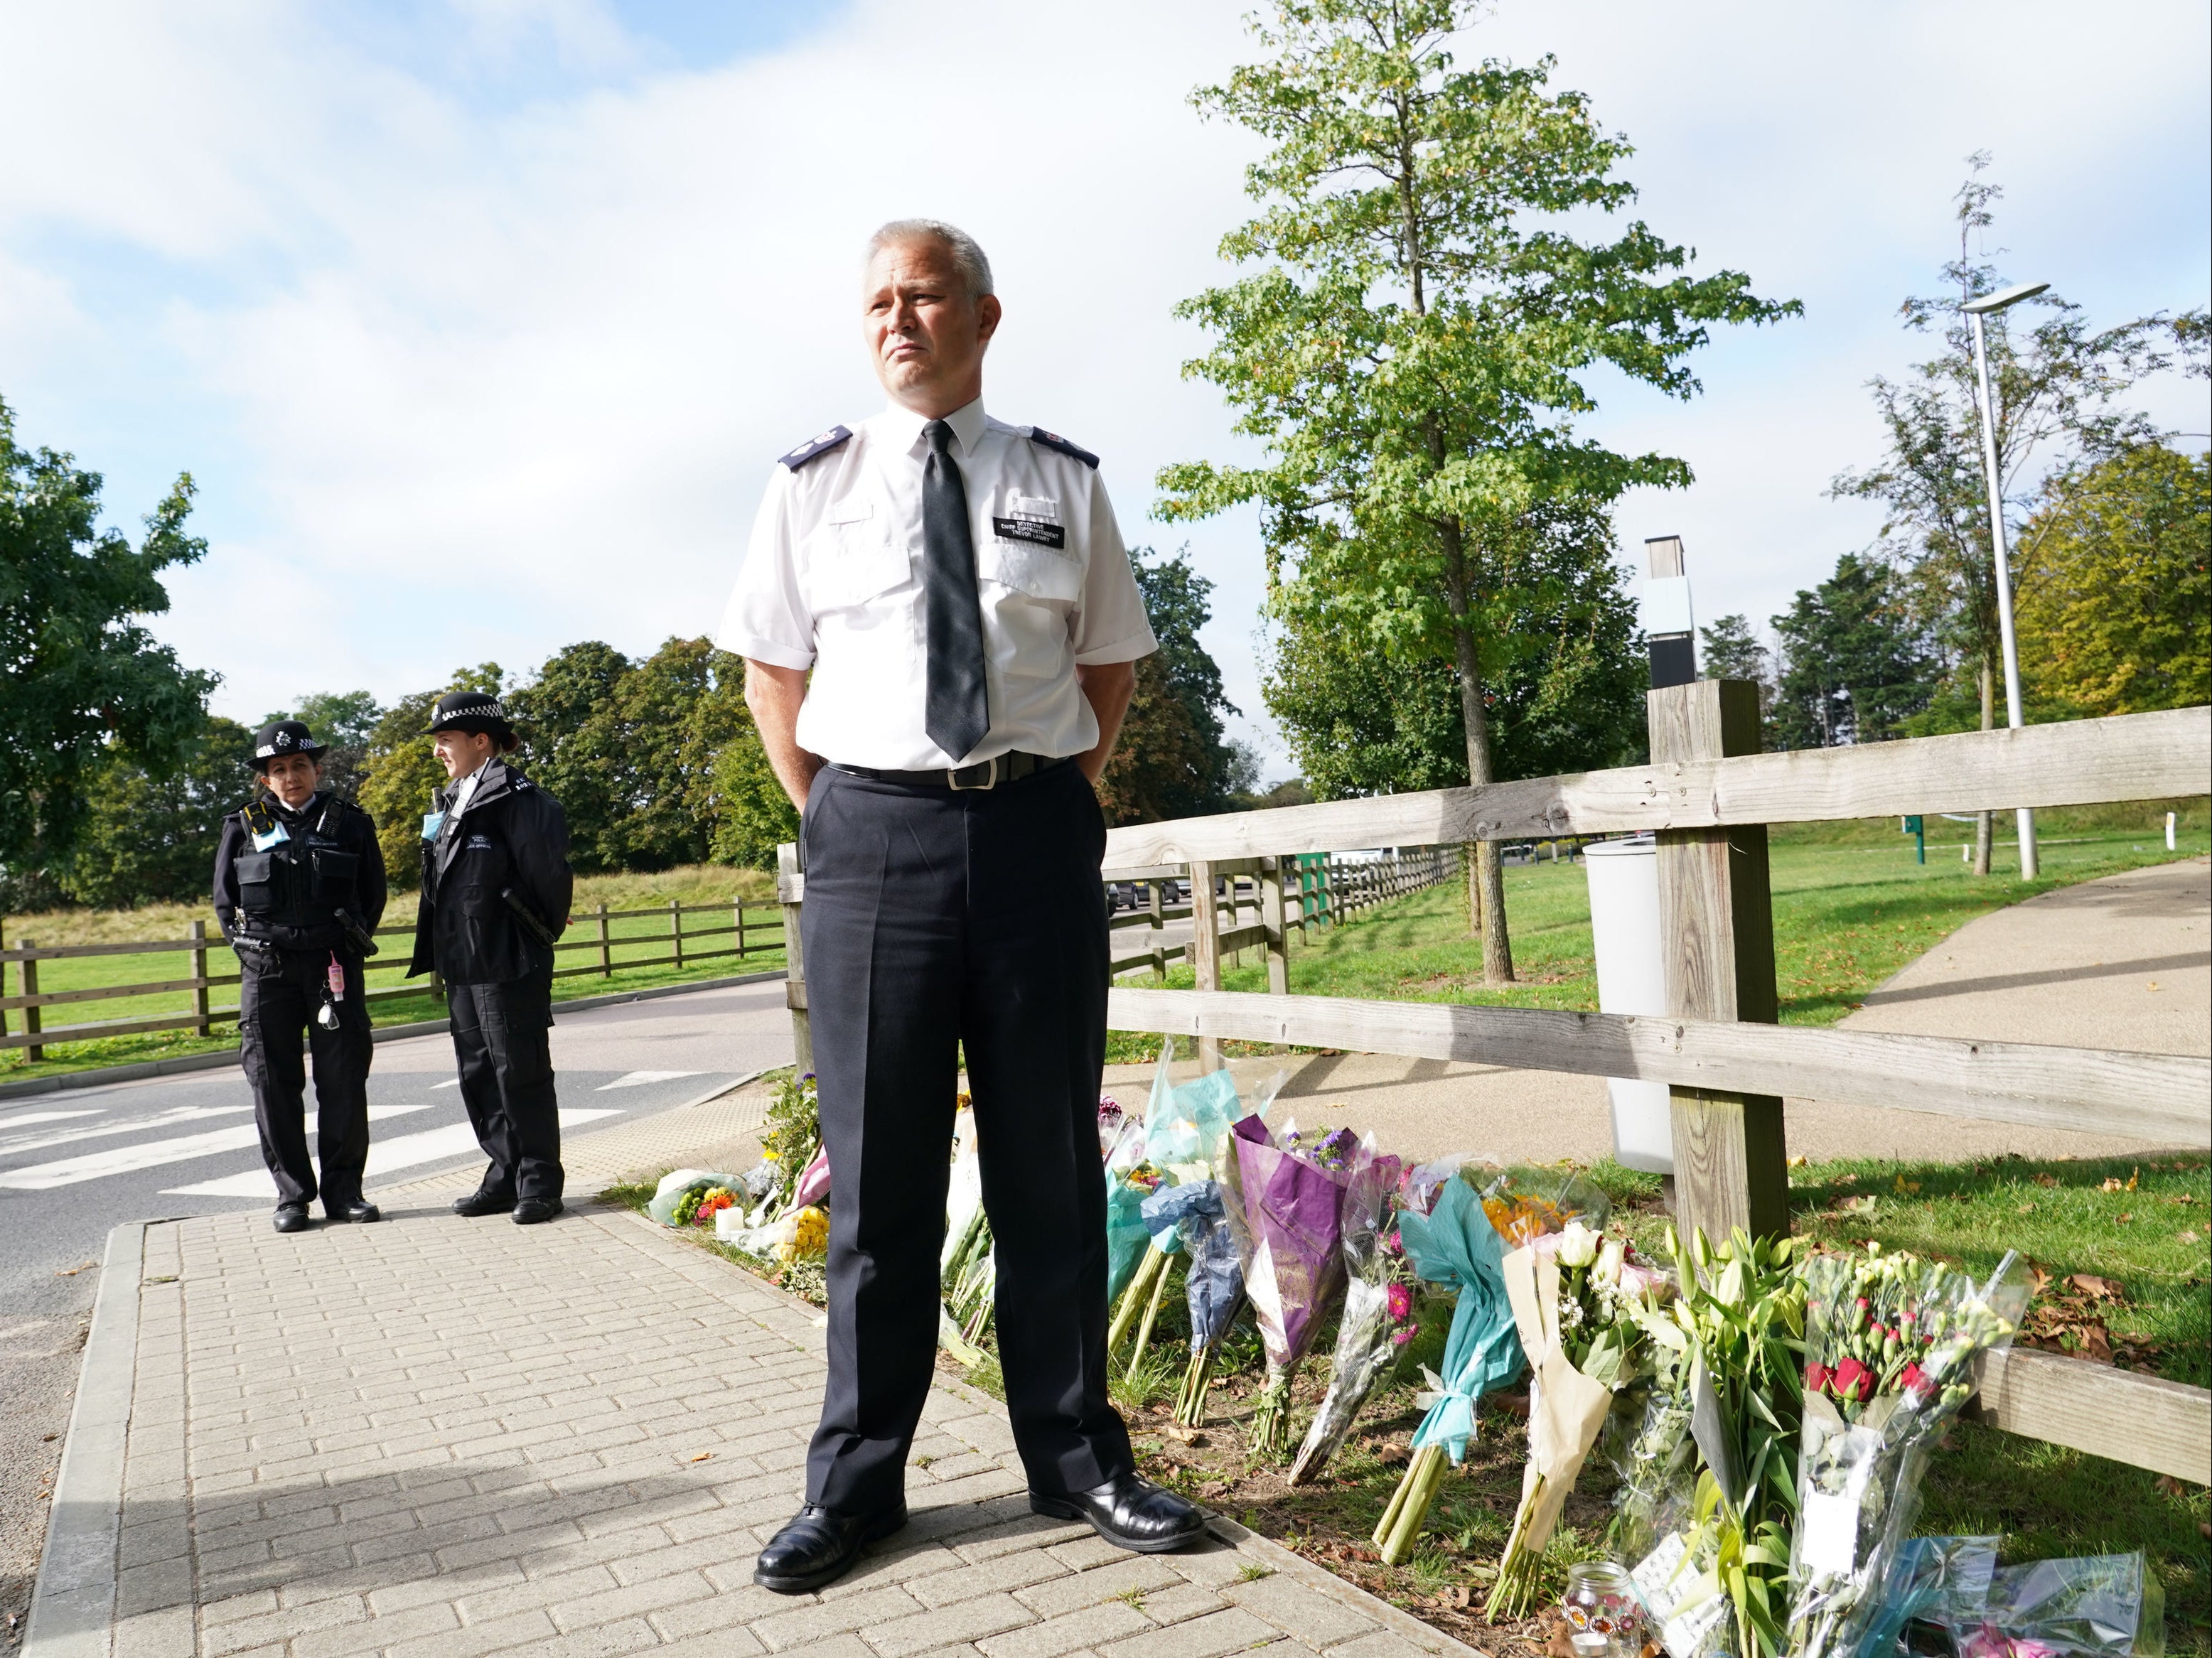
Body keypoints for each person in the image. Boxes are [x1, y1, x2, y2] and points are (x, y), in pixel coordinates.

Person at [719, 217, 1204, 1594]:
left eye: (923, 296)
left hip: (1034, 829)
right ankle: (857, 1484)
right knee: (877, 1184)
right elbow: (774, 671)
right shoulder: (810, 487)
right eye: (876, 299)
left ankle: (1076, 1457)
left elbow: (1106, 661)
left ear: (983, 316)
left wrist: (1051, 784)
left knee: (1050, 1156)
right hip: (872, 835)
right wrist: (835, 806)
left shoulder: (1060, 480)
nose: (896, 319)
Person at [213, 719, 388, 1234]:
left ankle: (345, 1192)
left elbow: (371, 895)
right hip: (268, 972)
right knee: (272, 1084)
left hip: (332, 966)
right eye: (279, 769)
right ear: (266, 778)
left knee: (343, 1081)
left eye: (299, 766)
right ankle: (292, 1196)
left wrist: (342, 946)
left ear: (317, 768)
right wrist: (252, 953)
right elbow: (226, 903)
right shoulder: (242, 826)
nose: (291, 776)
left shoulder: (351, 822)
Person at [406, 691, 575, 1225]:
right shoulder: (452, 798)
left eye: (445, 740)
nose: (438, 751)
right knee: (477, 1069)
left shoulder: (520, 797)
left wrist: (534, 934)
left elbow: (550, 879)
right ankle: (504, 1173)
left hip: (508, 953)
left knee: (518, 1068)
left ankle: (540, 1180)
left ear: (481, 740)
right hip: (462, 956)